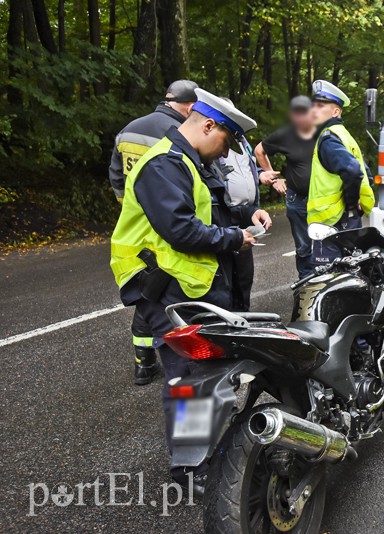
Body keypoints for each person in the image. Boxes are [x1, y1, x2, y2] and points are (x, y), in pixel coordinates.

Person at [109, 89, 270, 488]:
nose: (225, 151)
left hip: (193, 289)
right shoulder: (163, 164)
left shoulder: (190, 161)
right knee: (187, 379)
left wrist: (249, 213)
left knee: (206, 376)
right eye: (226, 142)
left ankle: (205, 453)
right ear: (208, 125)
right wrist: (235, 238)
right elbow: (180, 229)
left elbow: (216, 208)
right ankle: (188, 469)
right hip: (169, 292)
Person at [108, 79, 198, 386]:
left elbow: (116, 176)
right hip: (165, 226)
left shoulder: (129, 129)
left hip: (134, 227)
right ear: (188, 106)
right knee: (162, 294)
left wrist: (130, 210)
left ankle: (144, 363)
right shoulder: (175, 133)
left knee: (148, 293)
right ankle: (181, 372)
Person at [307, 80, 375, 266]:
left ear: (335, 112)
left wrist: (351, 202)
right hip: (349, 221)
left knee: (328, 278)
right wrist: (354, 207)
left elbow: (353, 170)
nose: (314, 110)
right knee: (351, 272)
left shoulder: (328, 138)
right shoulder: (344, 134)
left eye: (320, 106)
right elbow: (365, 172)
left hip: (331, 223)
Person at [253, 96, 316, 278]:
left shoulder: (324, 133)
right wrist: (273, 179)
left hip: (324, 199)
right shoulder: (286, 134)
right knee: (304, 246)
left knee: (326, 244)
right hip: (298, 200)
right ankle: (306, 285)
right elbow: (259, 150)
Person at [220, 135, 269, 311]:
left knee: (244, 274)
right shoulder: (214, 140)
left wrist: (262, 173)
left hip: (246, 212)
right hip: (223, 214)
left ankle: (243, 314)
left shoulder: (242, 141)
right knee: (227, 278)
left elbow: (250, 167)